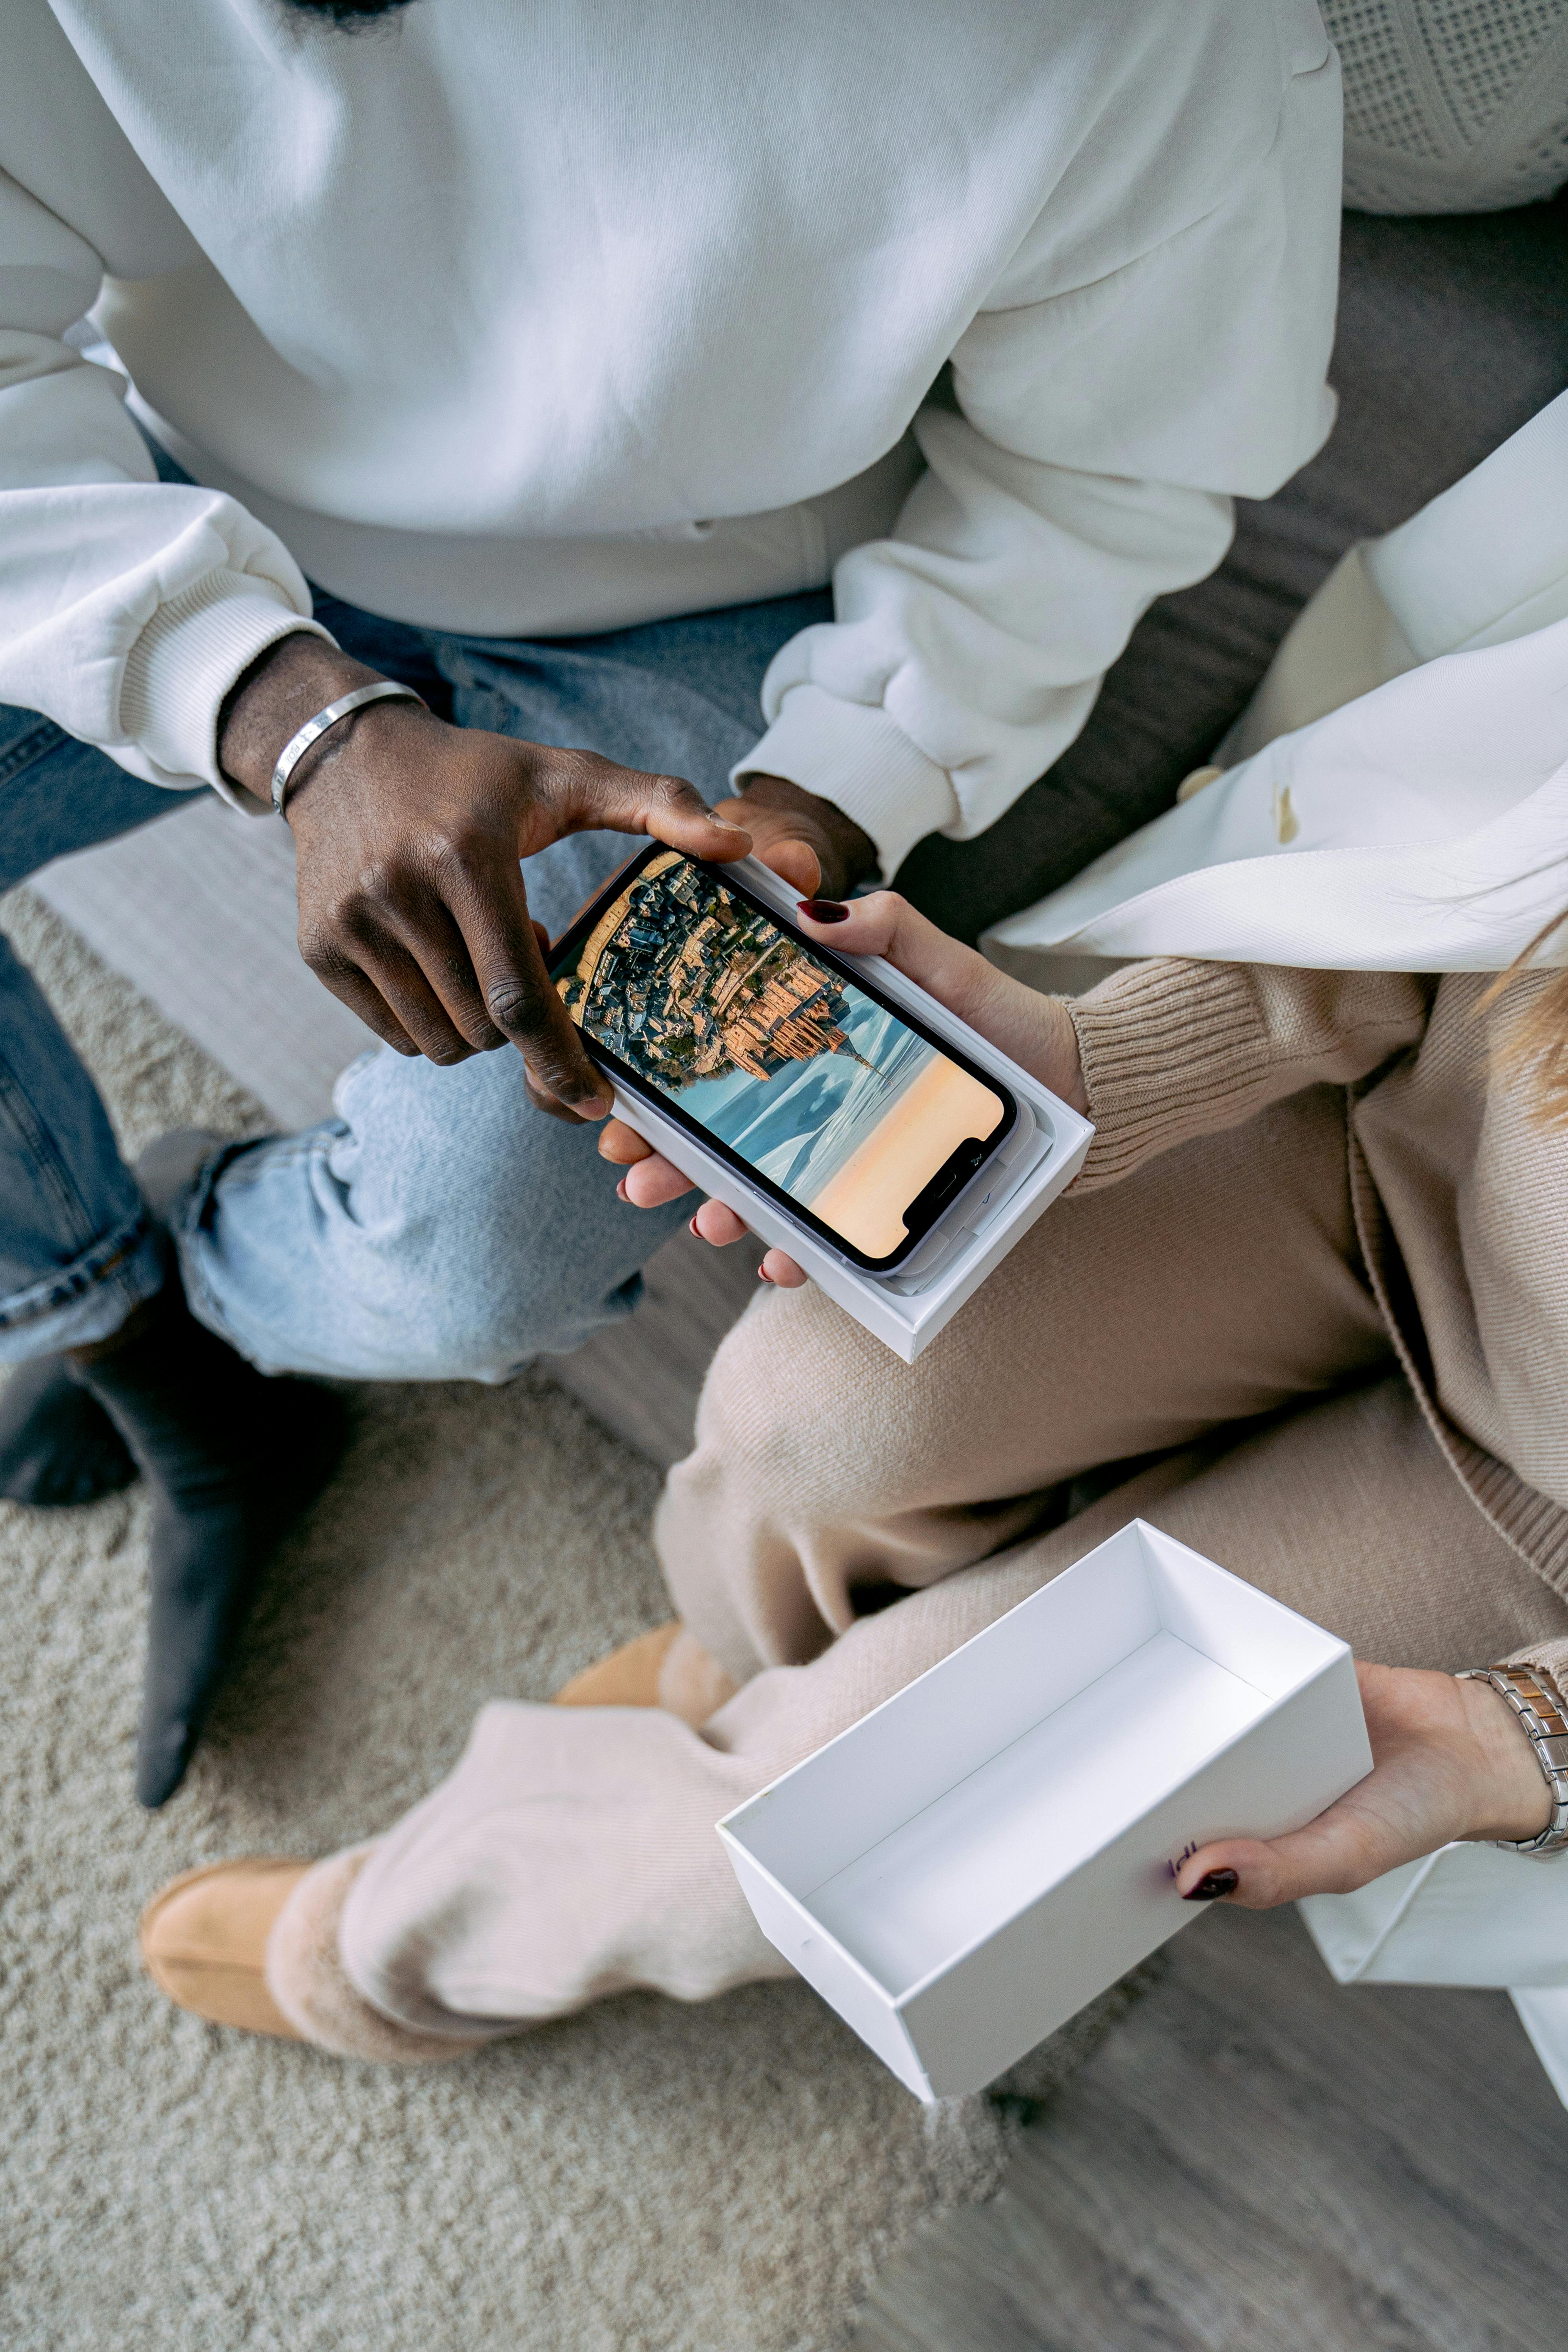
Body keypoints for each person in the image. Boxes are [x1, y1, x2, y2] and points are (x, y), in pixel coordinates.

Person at [0, 0, 1346, 1801]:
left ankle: (196, 1288)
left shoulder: (1145, 33)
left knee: (486, 1246)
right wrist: (279, 707)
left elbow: (1110, 474)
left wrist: (827, 799)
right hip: (185, 474)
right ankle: (118, 1328)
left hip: (707, 600)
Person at [138, 879, 1568, 2056]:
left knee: (843, 1835)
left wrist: (1529, 1737)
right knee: (801, 1415)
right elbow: (1464, 885)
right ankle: (739, 1654)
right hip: (1384, 1146)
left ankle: (390, 1954)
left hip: (1527, 1531)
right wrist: (1094, 1068)